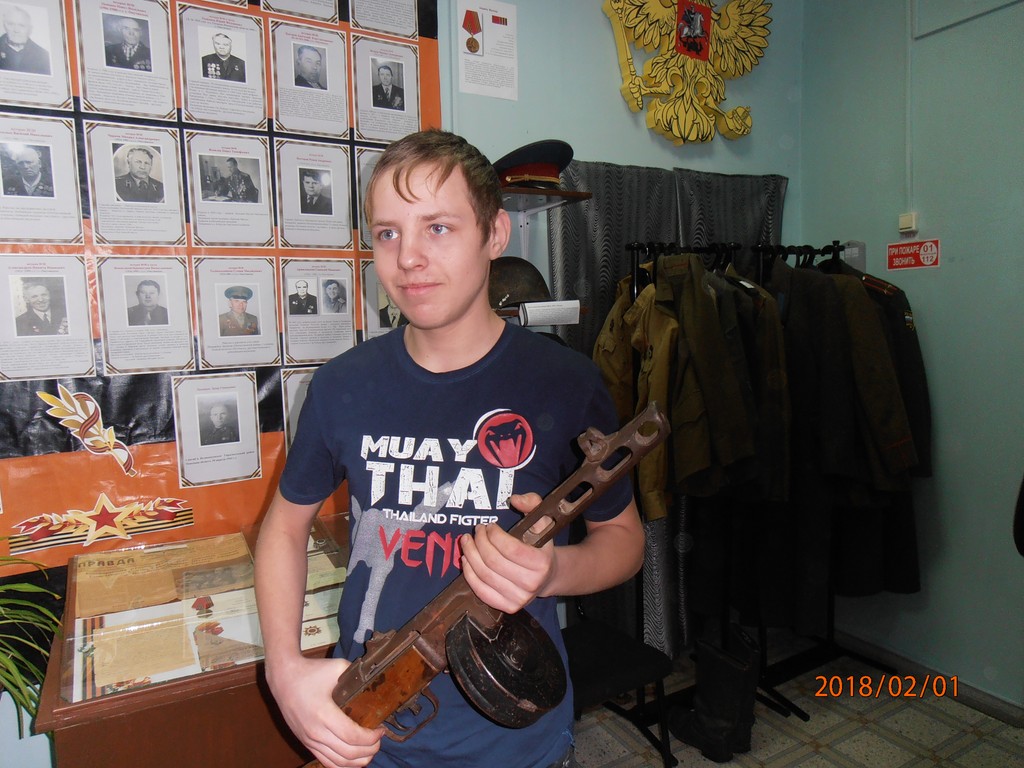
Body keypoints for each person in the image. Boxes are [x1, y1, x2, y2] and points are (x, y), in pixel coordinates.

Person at [253, 129, 643, 768]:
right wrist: (284, 670)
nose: (408, 257)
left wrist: (554, 572)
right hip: (367, 727)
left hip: (515, 737)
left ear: (494, 234)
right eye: (387, 233)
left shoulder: (565, 384)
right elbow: (284, 527)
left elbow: (623, 541)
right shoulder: (342, 385)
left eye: (438, 228)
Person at [0, 5, 50, 75]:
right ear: (4, 26)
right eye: (11, 24)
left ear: (30, 29)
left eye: (21, 25)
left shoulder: (43, 56)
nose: (16, 30)